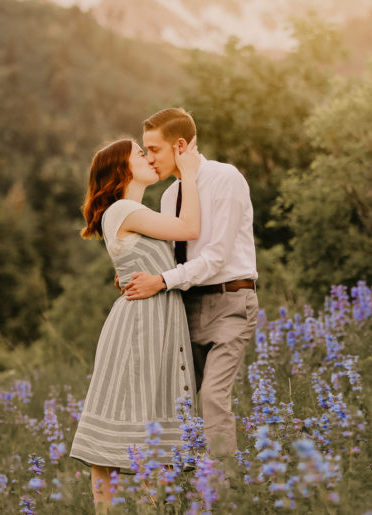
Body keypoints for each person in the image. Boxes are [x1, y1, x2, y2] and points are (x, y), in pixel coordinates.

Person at [69, 137, 202, 510]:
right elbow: (189, 228)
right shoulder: (125, 209)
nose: (148, 158)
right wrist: (188, 174)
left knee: (149, 417)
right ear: (122, 169)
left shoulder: (134, 212)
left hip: (157, 319)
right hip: (140, 324)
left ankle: (145, 508)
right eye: (140, 154)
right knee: (126, 417)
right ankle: (108, 510)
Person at [121, 107, 259, 464]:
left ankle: (224, 494)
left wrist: (162, 281)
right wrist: (137, 272)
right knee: (181, 402)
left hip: (231, 302)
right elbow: (169, 256)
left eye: (154, 149)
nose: (149, 158)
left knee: (213, 397)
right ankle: (186, 488)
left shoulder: (225, 178)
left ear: (180, 146)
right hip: (186, 307)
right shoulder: (170, 197)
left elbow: (215, 258)